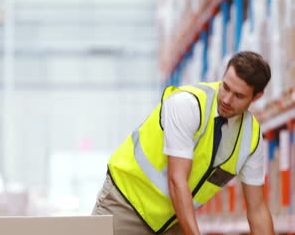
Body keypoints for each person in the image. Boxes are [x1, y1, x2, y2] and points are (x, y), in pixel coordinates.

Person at [92, 51, 274, 235]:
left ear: (257, 97)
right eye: (225, 87)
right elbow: (177, 179)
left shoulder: (251, 138)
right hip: (126, 205)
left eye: (239, 96)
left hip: (173, 219)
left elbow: (257, 209)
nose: (227, 99)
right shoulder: (188, 104)